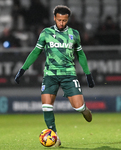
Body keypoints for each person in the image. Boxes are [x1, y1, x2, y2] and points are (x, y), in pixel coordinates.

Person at [14, 5, 95, 147]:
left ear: (67, 19)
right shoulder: (46, 33)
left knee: (79, 108)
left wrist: (88, 74)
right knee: (46, 106)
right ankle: (54, 136)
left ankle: (85, 110)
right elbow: (35, 52)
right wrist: (23, 69)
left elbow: (80, 54)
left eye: (64, 20)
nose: (61, 23)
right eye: (59, 20)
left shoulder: (74, 34)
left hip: (68, 75)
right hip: (50, 75)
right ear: (54, 18)